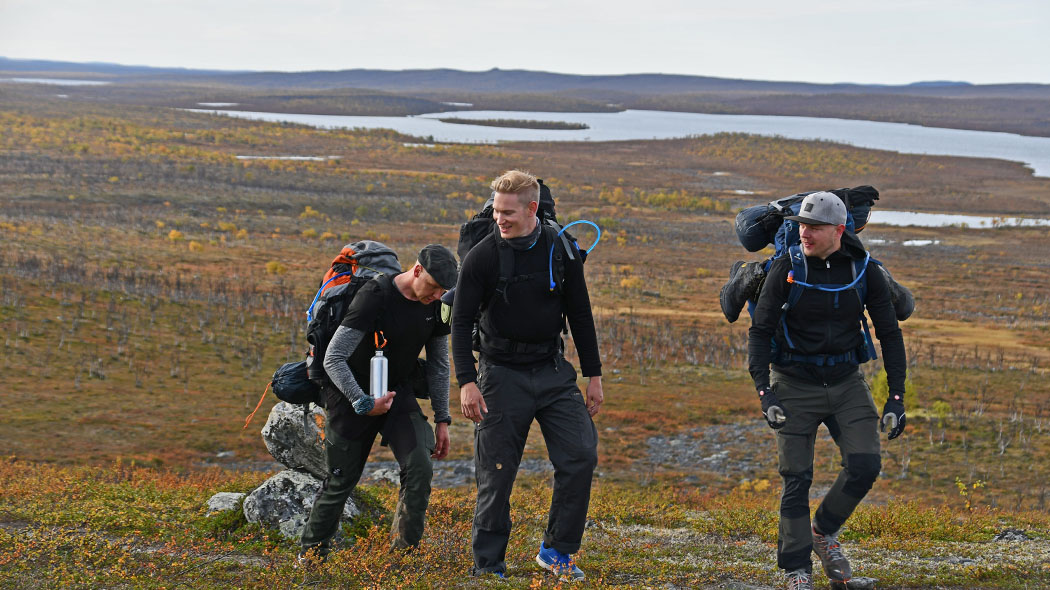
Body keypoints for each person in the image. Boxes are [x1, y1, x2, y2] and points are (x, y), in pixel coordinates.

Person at [747, 192, 908, 590]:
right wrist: (765, 392)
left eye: (814, 227)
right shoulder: (787, 266)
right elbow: (761, 330)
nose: (805, 233)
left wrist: (896, 396)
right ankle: (797, 571)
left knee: (866, 464)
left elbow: (890, 333)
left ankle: (822, 531)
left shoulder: (863, 270)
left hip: (845, 381)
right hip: (793, 383)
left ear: (839, 230)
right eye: (802, 225)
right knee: (796, 478)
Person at [452, 169, 603, 581]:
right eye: (496, 210)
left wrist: (593, 374)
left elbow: (581, 314)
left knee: (580, 456)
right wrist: (467, 381)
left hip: (552, 370)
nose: (500, 219)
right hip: (500, 374)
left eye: (508, 212)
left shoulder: (561, 249)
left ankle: (557, 552)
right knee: (496, 472)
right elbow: (461, 322)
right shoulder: (483, 255)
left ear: (532, 208)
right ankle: (488, 565)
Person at [299, 244, 458, 562]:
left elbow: (439, 364)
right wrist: (362, 402)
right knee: (341, 479)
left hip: (395, 392)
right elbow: (334, 357)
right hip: (349, 392)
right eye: (433, 287)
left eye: (444, 291)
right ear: (416, 271)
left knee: (419, 467)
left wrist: (443, 419)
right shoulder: (376, 295)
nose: (437, 295)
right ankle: (312, 556)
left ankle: (403, 559)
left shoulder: (438, 305)